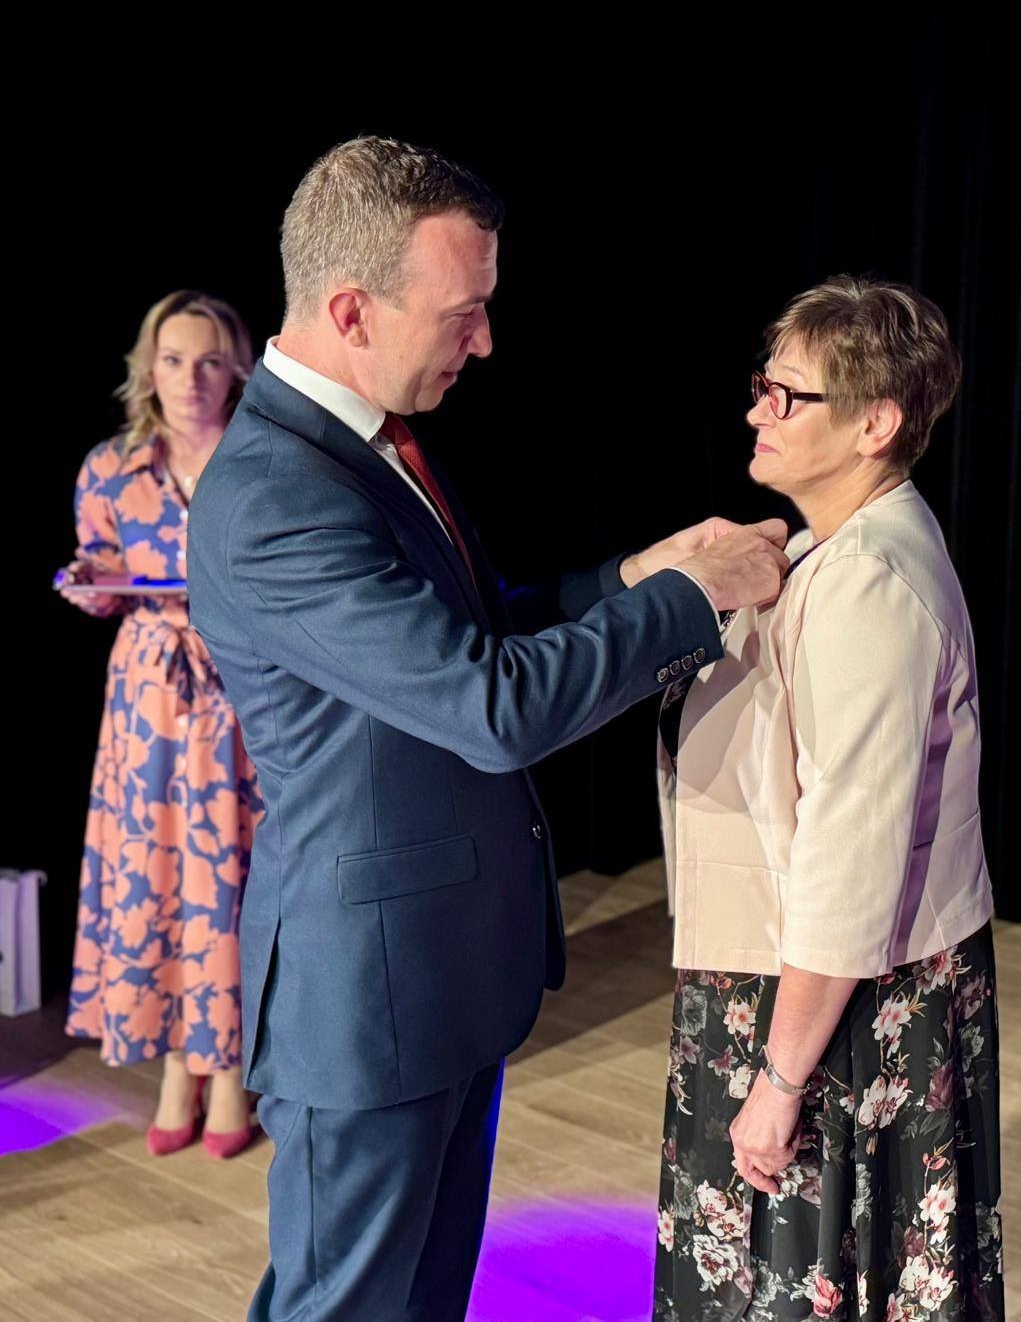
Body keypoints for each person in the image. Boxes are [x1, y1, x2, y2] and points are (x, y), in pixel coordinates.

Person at [185, 136, 788, 1321]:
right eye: (463, 313)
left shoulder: (367, 443)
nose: (486, 340)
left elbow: (481, 626)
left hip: (435, 979)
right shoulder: (272, 497)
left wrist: (637, 574)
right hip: (367, 1004)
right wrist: (692, 599)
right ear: (352, 310)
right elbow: (491, 705)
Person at [655, 277, 1003, 1320]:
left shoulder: (867, 583)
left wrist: (779, 1079)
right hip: (804, 983)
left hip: (831, 1008)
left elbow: (853, 854)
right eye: (761, 385)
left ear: (875, 424)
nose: (756, 410)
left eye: (787, 394)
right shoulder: (831, 549)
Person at [59, 290, 262, 1159]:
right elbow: (102, 573)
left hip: (242, 685)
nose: (191, 379)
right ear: (149, 368)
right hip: (148, 697)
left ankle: (233, 1068)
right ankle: (179, 1061)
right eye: (174, 360)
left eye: (209, 360)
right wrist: (88, 586)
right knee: (158, 876)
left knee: (234, 880)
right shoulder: (111, 467)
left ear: (236, 368)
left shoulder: (261, 459)